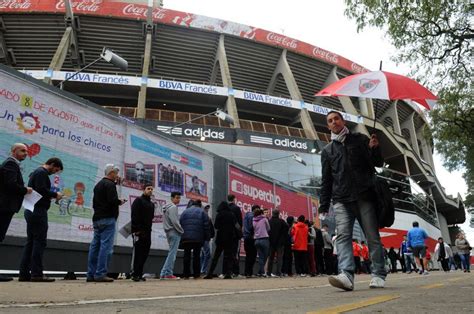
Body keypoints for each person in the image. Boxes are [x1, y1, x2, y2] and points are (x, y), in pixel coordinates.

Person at [319, 111, 387, 290]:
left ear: (343, 121)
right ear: (328, 126)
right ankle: (346, 275)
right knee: (342, 236)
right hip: (341, 199)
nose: (334, 122)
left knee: (372, 236)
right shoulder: (327, 151)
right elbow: (326, 180)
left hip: (364, 195)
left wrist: (374, 148)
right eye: (330, 121)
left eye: (336, 119)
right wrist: (323, 204)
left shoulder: (360, 139)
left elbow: (377, 163)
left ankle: (379, 273)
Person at [19, 157, 63, 282]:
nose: (55, 172)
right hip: (38, 211)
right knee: (39, 242)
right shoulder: (41, 173)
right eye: (56, 169)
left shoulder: (37, 172)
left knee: (31, 242)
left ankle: (24, 273)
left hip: (32, 210)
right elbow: (41, 190)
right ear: (52, 164)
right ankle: (37, 274)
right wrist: (55, 195)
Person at [86, 164, 126, 283]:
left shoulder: (98, 185)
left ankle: (91, 274)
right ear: (111, 173)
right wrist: (120, 201)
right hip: (108, 218)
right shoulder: (110, 185)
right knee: (106, 247)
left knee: (95, 246)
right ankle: (101, 273)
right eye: (116, 173)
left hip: (97, 218)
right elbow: (112, 201)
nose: (117, 175)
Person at [0, 144, 33, 282]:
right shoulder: (11, 164)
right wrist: (26, 190)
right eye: (22, 150)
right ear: (13, 151)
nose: (25, 153)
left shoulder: (11, 164)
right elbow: (10, 184)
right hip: (4, 206)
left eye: (26, 151)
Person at [204, 201, 236, 279]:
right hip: (230, 238)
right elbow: (235, 225)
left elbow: (216, 226)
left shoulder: (219, 214)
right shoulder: (232, 214)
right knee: (229, 256)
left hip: (221, 238)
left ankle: (210, 273)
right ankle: (228, 273)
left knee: (216, 256)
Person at [130, 183, 155, 281]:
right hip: (139, 231)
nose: (150, 190)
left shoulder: (151, 204)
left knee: (145, 253)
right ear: (144, 190)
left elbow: (151, 218)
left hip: (148, 232)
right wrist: (136, 230)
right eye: (148, 189)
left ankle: (140, 274)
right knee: (138, 253)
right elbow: (134, 216)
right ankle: (135, 274)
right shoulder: (138, 201)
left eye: (151, 189)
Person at [179, 199, 210, 279]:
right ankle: (196, 274)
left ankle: (186, 274)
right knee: (196, 256)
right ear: (199, 205)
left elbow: (181, 223)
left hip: (186, 237)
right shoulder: (202, 212)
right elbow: (206, 226)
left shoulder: (185, 212)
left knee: (187, 255)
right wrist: (207, 237)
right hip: (198, 238)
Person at [160, 191, 184, 280]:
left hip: (168, 232)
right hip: (174, 232)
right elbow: (175, 222)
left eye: (179, 198)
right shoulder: (173, 207)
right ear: (172, 198)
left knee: (171, 253)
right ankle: (168, 273)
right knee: (172, 254)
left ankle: (164, 273)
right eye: (177, 197)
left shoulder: (166, 207)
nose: (178, 199)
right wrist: (181, 231)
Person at [267, 209, 288, 277]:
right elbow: (286, 229)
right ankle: (278, 272)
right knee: (279, 258)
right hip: (280, 243)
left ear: (272, 213)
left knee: (270, 258)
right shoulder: (282, 221)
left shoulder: (269, 221)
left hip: (271, 242)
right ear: (278, 214)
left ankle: (269, 272)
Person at [253, 207, 270, 277]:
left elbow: (254, 228)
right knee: (265, 256)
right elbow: (268, 228)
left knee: (260, 257)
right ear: (261, 213)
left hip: (257, 240)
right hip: (264, 239)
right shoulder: (264, 219)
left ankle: (260, 272)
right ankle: (262, 272)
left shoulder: (253, 220)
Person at [228, 194, 242, 277]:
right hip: (234, 235)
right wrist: (239, 231)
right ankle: (236, 271)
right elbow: (239, 222)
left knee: (227, 253)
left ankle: (226, 271)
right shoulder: (236, 208)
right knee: (235, 253)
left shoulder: (225, 208)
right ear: (234, 199)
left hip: (226, 235)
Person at [243, 205, 258, 278]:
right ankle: (249, 272)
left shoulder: (246, 216)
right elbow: (251, 227)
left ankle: (246, 272)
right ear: (255, 209)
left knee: (248, 255)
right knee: (253, 255)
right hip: (251, 238)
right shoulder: (253, 216)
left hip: (246, 237)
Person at [200, 204, 214, 275]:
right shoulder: (202, 217)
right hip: (203, 238)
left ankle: (202, 270)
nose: (207, 210)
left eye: (208, 209)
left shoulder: (208, 218)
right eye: (206, 208)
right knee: (207, 254)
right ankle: (203, 270)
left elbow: (211, 229)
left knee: (203, 254)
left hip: (206, 238)